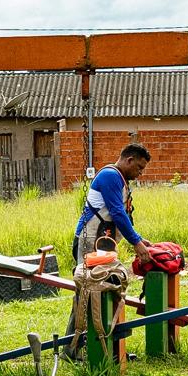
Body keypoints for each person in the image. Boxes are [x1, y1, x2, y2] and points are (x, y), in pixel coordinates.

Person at [66, 143, 152, 352]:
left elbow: (124, 214)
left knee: (107, 290)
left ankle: (109, 346)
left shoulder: (120, 179)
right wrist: (136, 243)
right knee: (87, 292)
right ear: (129, 160)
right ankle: (73, 348)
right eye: (139, 167)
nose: (140, 173)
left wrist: (139, 238)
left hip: (102, 243)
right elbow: (117, 213)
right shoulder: (110, 176)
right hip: (89, 241)